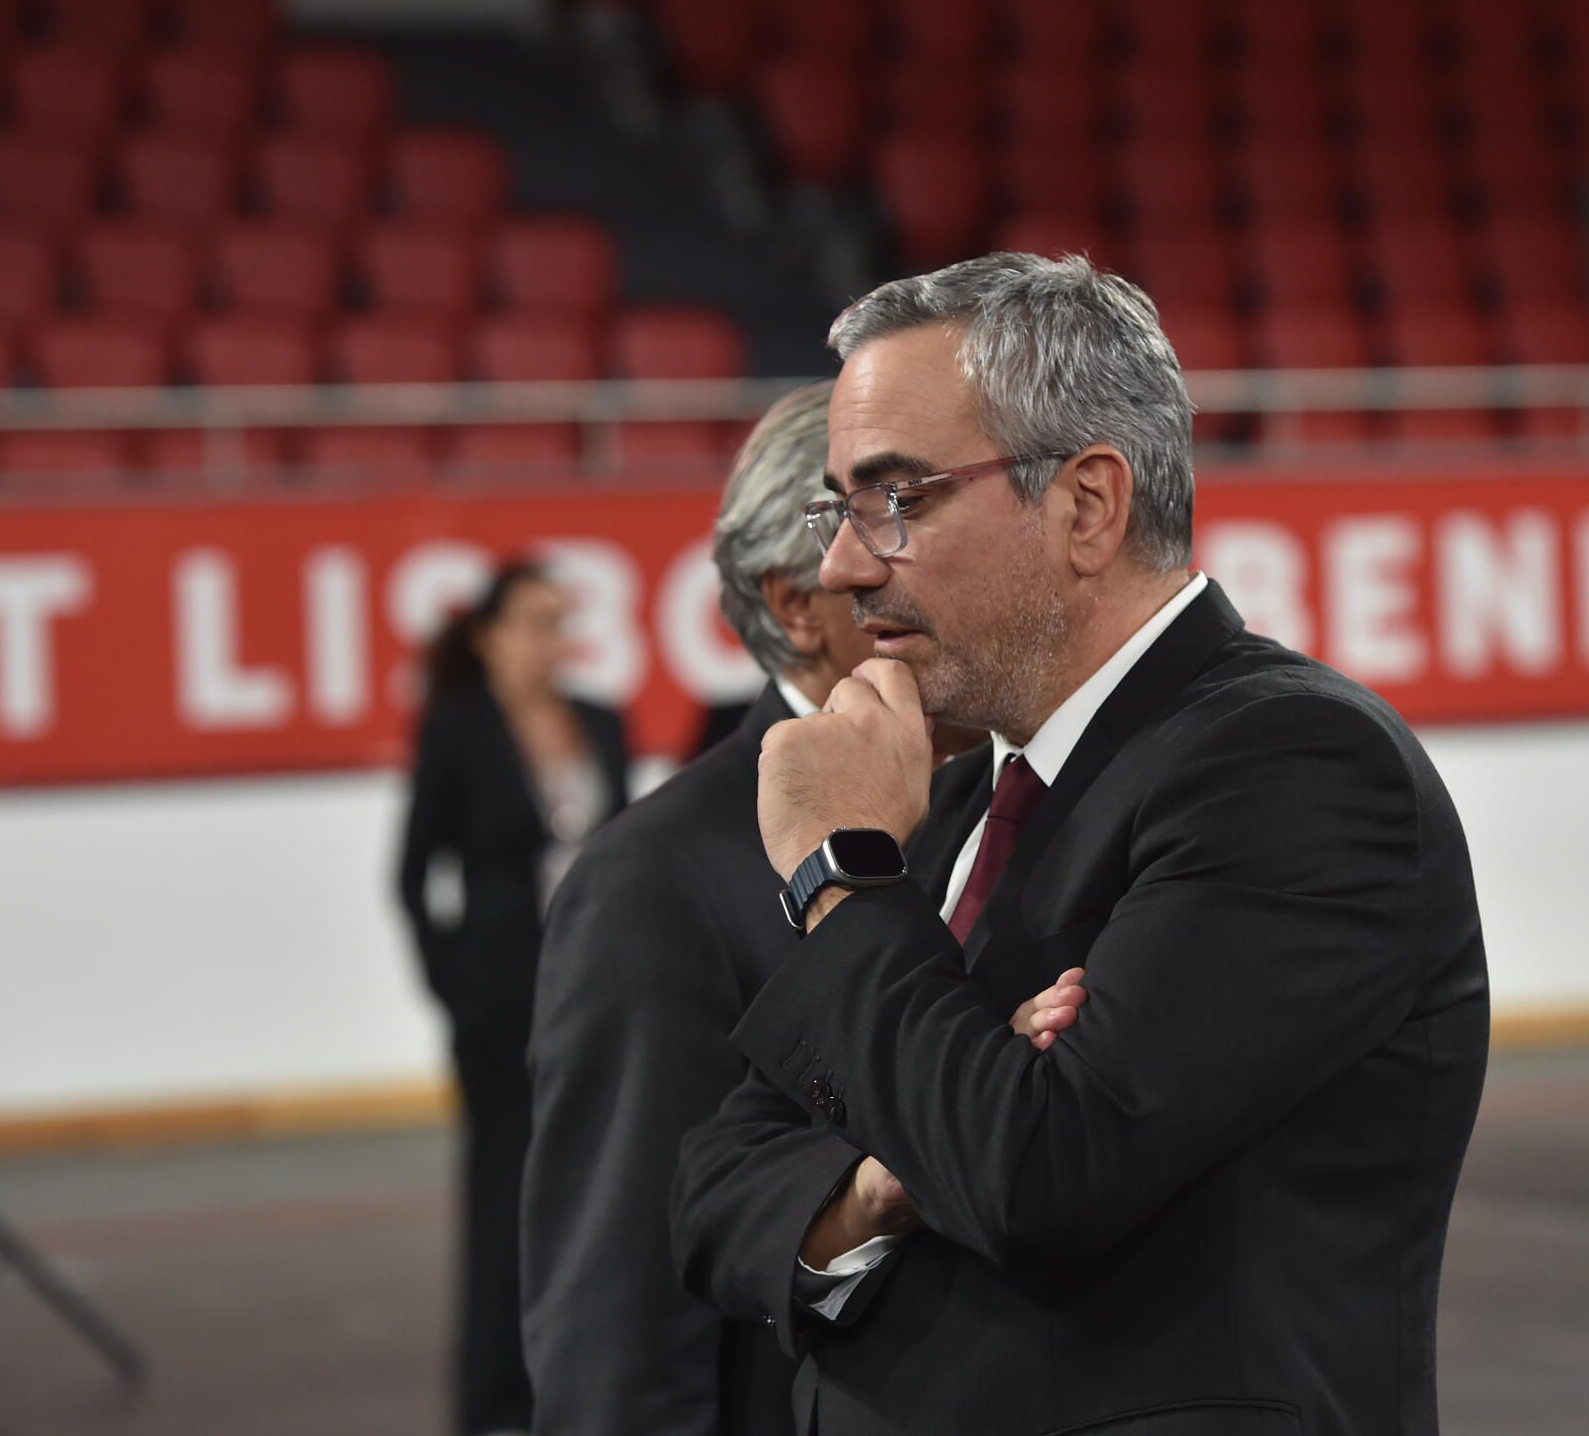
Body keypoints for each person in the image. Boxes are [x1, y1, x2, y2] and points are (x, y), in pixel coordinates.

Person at [671, 254, 1490, 1436]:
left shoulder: (1295, 770)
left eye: (896, 498)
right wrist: (888, 1182)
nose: (846, 565)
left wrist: (838, 876)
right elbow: (711, 1192)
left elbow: (1042, 1174)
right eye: (837, 508)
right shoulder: (960, 797)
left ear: (1088, 506)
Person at [521, 382, 1078, 1436]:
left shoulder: (990, 798)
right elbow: (622, 1305)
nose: (920, 565)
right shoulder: (656, 880)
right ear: (796, 604)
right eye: (881, 526)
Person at [398, 558, 631, 1436]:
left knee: (590, 1186)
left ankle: (565, 1378)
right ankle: (489, 1394)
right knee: (501, 1195)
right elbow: (413, 872)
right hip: (498, 1003)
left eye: (559, 620)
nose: (550, 639)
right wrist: (449, 984)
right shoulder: (457, 729)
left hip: (589, 993)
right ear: (491, 636)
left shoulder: (601, 720)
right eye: (533, 621)